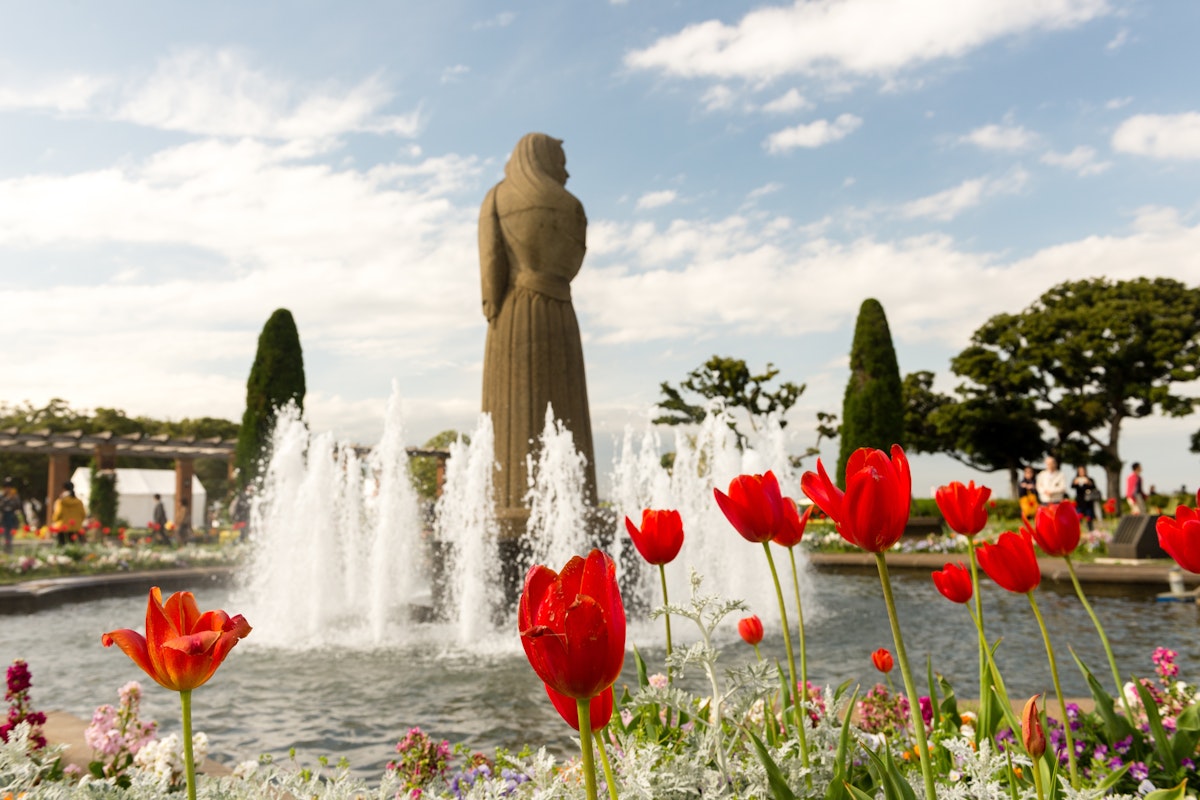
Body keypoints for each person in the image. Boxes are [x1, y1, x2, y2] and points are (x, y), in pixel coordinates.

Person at [479, 133, 598, 526]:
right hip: (560, 315)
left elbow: (492, 267)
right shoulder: (573, 206)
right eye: (560, 159)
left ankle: (509, 502)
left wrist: (492, 306)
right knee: (567, 412)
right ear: (546, 158)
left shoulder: (497, 198)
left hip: (514, 318)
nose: (566, 169)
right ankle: (574, 503)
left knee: (510, 413)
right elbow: (574, 263)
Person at [52, 481, 86, 546]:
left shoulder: (61, 501)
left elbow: (58, 514)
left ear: (63, 489)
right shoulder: (79, 502)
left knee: (62, 548)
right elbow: (83, 514)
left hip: (62, 528)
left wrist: (54, 519)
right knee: (75, 548)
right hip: (76, 528)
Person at [1, 477, 24, 554]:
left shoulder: (14, 496)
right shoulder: (2, 496)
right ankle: (3, 549)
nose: (8, 489)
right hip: (3, 516)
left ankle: (9, 550)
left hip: (11, 516)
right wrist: (7, 499)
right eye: (6, 487)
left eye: (9, 487)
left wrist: (12, 498)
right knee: (3, 533)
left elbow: (18, 505)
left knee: (10, 534)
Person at [1071, 466, 1098, 531]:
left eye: (1083, 471)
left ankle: (1091, 531)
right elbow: (1072, 486)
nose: (1082, 472)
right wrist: (1075, 483)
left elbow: (1094, 487)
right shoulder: (1076, 479)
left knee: (1089, 518)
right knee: (1078, 518)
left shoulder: (1089, 479)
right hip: (1079, 502)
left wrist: (1088, 483)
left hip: (1088, 502)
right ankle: (1079, 531)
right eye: (1080, 471)